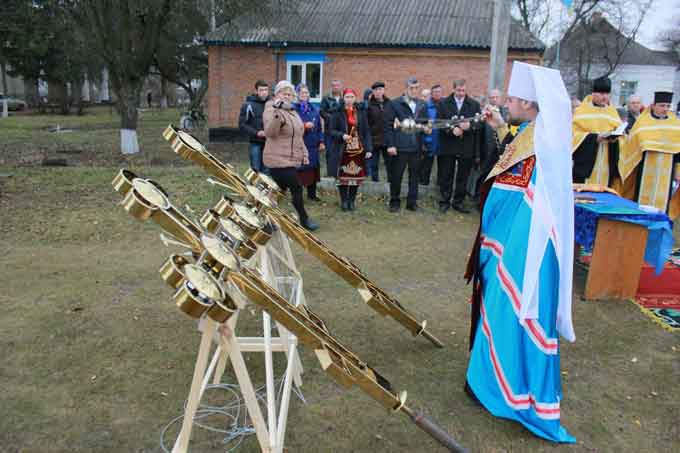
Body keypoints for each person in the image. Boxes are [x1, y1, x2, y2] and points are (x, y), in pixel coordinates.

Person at [464, 61, 576, 444]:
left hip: (524, 250)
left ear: (529, 102)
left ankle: (510, 390)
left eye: (511, 97)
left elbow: (531, 201)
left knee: (511, 309)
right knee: (501, 310)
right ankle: (492, 381)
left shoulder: (540, 139)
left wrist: (505, 245)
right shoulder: (532, 133)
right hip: (511, 244)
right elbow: (509, 170)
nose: (506, 101)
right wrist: (499, 129)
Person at [262, 80, 319, 231]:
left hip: (291, 159)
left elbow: (299, 135)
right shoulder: (270, 108)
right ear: (277, 94)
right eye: (283, 93)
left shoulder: (292, 111)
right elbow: (269, 133)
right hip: (277, 159)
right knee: (297, 188)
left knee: (277, 192)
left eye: (289, 94)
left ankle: (264, 220)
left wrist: (304, 153)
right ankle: (304, 219)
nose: (287, 96)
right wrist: (276, 113)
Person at [620, 91, 680, 219]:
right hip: (645, 168)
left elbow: (678, 151)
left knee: (663, 205)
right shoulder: (643, 122)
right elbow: (632, 145)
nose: (665, 109)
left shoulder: (675, 124)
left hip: (667, 170)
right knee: (641, 202)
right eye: (662, 105)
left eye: (667, 106)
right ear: (653, 105)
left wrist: (678, 170)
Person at [437, 79, 483, 213]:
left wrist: (470, 126)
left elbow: (480, 123)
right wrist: (451, 130)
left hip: (466, 145)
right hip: (449, 145)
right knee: (446, 174)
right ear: (453, 89)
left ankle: (458, 202)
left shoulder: (474, 104)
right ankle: (444, 201)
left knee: (463, 175)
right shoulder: (444, 103)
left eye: (463, 90)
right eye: (458, 90)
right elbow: (439, 122)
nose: (461, 93)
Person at [383, 77, 428, 212]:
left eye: (416, 88)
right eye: (411, 88)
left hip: (416, 147)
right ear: (405, 89)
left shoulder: (422, 104)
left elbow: (424, 124)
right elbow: (388, 126)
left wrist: (426, 129)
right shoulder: (395, 104)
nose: (414, 91)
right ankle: (394, 201)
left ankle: (412, 203)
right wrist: (390, 145)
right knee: (397, 175)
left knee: (414, 176)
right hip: (399, 147)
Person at [571, 76, 624, 188]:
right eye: (601, 93)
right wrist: (595, 138)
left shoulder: (612, 112)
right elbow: (573, 135)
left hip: (606, 158)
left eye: (606, 94)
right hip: (587, 160)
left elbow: (620, 135)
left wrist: (615, 138)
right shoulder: (581, 111)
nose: (604, 97)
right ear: (593, 93)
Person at [328, 88, 373, 211]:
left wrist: (369, 149)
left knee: (355, 176)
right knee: (343, 177)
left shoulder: (361, 112)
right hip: (342, 150)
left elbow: (366, 131)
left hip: (358, 150)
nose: (349, 99)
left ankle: (352, 201)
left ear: (355, 98)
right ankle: (344, 201)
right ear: (343, 98)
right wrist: (342, 135)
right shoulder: (337, 112)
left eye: (351, 97)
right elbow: (331, 130)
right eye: (347, 97)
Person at [293, 84, 325, 201]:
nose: (305, 95)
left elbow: (319, 128)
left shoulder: (314, 109)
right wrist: (304, 126)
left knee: (313, 169)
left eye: (306, 93)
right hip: (300, 144)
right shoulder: (293, 109)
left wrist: (321, 141)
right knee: (300, 170)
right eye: (302, 93)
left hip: (313, 144)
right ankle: (297, 195)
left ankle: (312, 195)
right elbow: (291, 127)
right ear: (297, 94)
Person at [239, 80, 270, 173]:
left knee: (267, 171)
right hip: (255, 143)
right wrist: (256, 133)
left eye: (266, 90)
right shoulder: (248, 105)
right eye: (261, 90)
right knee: (256, 170)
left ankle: (267, 188)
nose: (264, 92)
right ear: (256, 91)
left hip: (269, 144)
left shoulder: (272, 104)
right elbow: (242, 125)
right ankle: (254, 187)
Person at [367, 81, 391, 182]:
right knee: (374, 165)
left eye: (380, 89)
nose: (378, 92)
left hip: (387, 139)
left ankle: (391, 183)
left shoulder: (389, 104)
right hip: (374, 140)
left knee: (390, 164)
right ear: (373, 91)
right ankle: (375, 183)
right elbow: (366, 124)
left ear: (384, 91)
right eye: (376, 90)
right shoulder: (369, 105)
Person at [419, 84, 443, 186]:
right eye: (435, 92)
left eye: (439, 92)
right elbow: (420, 126)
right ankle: (423, 187)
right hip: (428, 142)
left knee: (443, 169)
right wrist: (422, 143)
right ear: (431, 94)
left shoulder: (445, 106)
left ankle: (440, 188)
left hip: (443, 143)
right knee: (425, 168)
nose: (437, 94)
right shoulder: (425, 107)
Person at [320, 79, 344, 177]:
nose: (336, 87)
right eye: (334, 86)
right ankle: (331, 174)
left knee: (342, 152)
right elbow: (322, 112)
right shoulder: (326, 98)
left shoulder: (344, 98)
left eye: (337, 85)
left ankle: (342, 174)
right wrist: (331, 118)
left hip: (342, 131)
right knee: (330, 152)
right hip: (329, 130)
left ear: (341, 86)